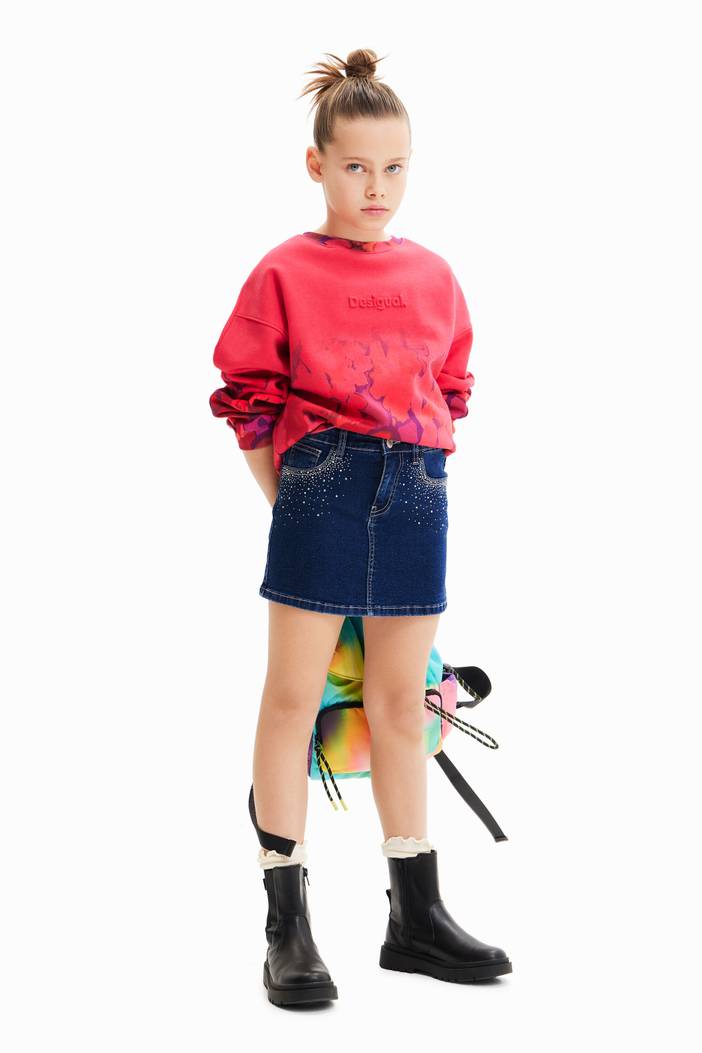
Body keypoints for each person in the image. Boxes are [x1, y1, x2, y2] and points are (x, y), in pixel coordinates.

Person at [209, 48, 512, 1007]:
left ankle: (415, 913)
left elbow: (451, 388)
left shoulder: (435, 275)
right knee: (293, 697)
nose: (376, 187)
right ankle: (287, 925)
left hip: (418, 489)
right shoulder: (283, 271)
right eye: (355, 166)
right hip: (322, 482)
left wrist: (417, 465)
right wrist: (295, 498)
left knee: (402, 703)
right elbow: (249, 401)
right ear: (317, 165)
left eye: (394, 167)